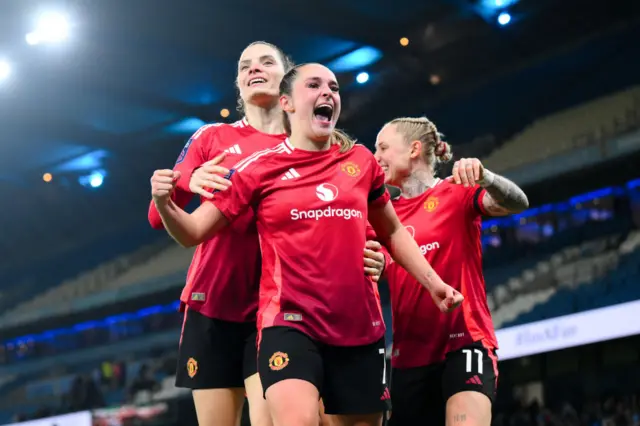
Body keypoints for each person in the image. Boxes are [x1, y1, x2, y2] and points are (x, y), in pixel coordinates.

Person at [150, 63, 463, 426]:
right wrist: (165, 201)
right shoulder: (257, 169)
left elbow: (392, 233)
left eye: (334, 86)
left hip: (360, 327)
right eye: (314, 85)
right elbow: (192, 232)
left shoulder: (361, 162)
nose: (328, 92)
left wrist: (435, 284)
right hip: (289, 322)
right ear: (287, 102)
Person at [373, 116, 529, 426]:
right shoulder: (383, 217)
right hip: (408, 358)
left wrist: (487, 178)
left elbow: (517, 202)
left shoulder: (457, 192)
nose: (375, 157)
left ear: (414, 149)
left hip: (465, 342)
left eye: (383, 148)